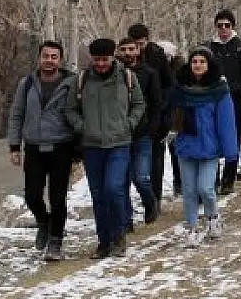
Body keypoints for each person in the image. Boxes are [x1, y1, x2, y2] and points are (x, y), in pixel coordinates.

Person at [65, 38, 146, 260]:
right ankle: (104, 241)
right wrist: (83, 127)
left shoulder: (127, 77)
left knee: (114, 189)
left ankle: (119, 236)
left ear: (113, 57)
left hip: (119, 143)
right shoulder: (81, 80)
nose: (101, 64)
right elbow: (70, 109)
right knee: (98, 195)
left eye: (105, 59)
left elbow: (139, 104)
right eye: (97, 59)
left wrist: (129, 123)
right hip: (91, 146)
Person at [6, 41, 77, 262]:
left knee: (58, 198)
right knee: (32, 195)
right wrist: (14, 146)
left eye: (54, 56)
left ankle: (55, 241)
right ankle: (43, 222)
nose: (49, 60)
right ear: (39, 58)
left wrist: (79, 148)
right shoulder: (26, 83)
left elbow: (79, 113)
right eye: (45, 56)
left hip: (61, 147)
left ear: (60, 60)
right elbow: (17, 114)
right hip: (34, 148)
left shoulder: (72, 83)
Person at [170, 47, 238, 247]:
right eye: (194, 61)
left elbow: (226, 122)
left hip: (209, 147)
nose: (197, 65)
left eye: (202, 61)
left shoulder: (219, 90)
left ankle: (213, 216)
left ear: (209, 65)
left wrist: (230, 151)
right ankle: (191, 228)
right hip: (186, 146)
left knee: (206, 188)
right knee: (189, 190)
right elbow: (171, 116)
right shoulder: (181, 89)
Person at [206, 9, 241, 194]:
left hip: (236, 99)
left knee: (232, 138)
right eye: (219, 25)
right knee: (211, 136)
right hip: (212, 97)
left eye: (227, 25)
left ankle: (228, 179)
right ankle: (212, 178)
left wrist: (239, 86)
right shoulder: (209, 48)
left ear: (233, 26)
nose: (223, 29)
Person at [116, 38, 163, 233]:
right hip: (118, 135)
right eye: (124, 49)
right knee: (121, 180)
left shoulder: (150, 73)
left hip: (143, 134)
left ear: (138, 50)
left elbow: (156, 103)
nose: (128, 53)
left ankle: (150, 202)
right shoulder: (114, 73)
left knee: (141, 177)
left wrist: (153, 129)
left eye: (131, 49)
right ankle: (125, 220)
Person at [128, 24, 175, 205]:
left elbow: (169, 84)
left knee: (156, 158)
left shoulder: (157, 55)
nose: (138, 49)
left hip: (157, 112)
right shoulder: (126, 59)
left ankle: (155, 196)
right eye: (135, 45)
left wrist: (163, 109)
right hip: (134, 117)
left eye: (141, 44)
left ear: (147, 40)